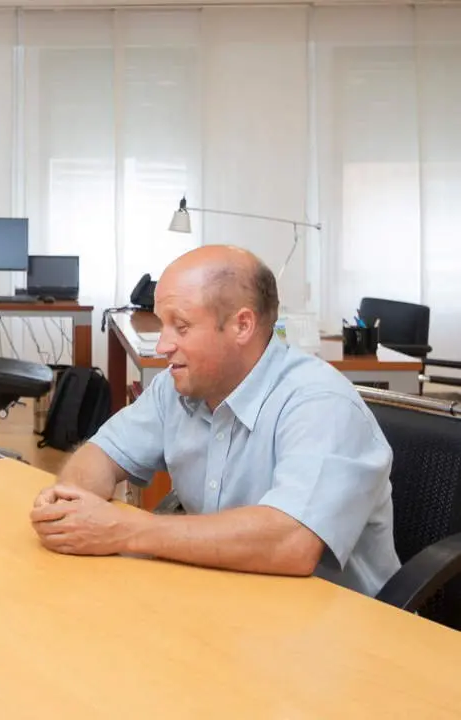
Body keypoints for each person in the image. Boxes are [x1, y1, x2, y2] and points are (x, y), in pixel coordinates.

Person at [30, 245, 401, 597]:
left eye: (182, 326)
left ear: (242, 326)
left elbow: (291, 542)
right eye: (163, 325)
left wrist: (122, 530)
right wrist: (71, 501)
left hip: (344, 631)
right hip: (228, 599)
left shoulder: (320, 405)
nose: (162, 346)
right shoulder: (176, 388)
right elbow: (102, 453)